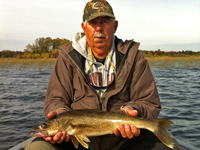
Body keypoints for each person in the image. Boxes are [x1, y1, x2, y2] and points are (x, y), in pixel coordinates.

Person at [23, 0, 171, 150]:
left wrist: (132, 110)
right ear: (84, 27)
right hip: (73, 143)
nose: (98, 28)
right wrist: (59, 111)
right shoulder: (67, 57)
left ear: (115, 26)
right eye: (93, 22)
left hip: (122, 141)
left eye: (104, 21)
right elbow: (55, 99)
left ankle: (155, 128)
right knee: (38, 147)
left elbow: (149, 102)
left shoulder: (134, 57)